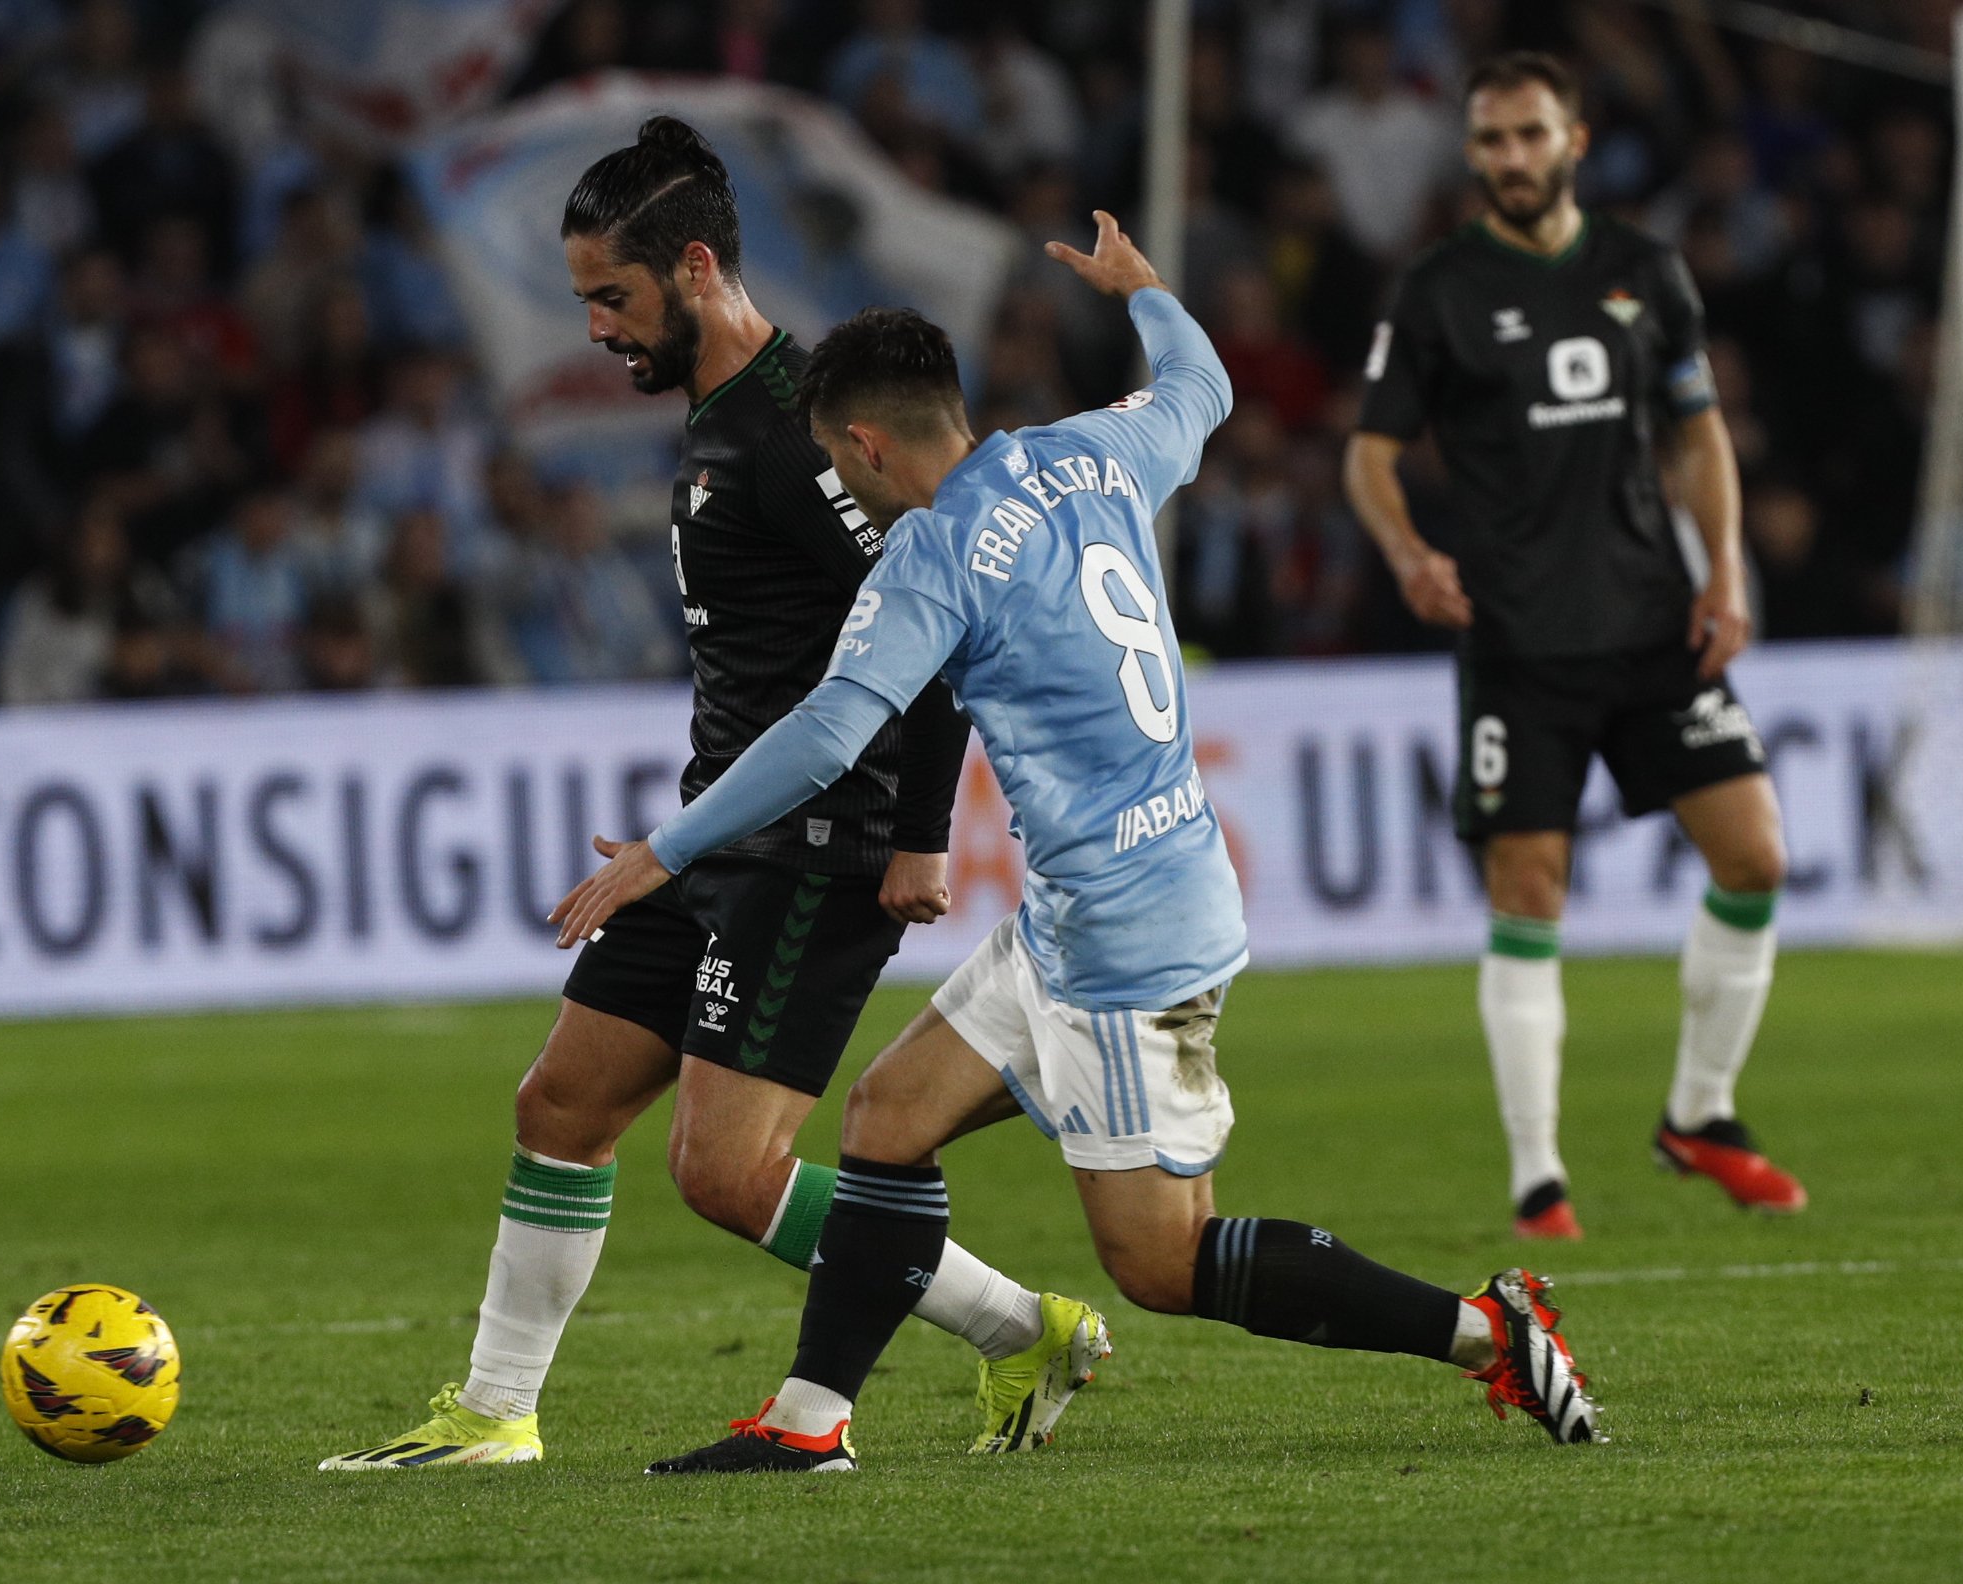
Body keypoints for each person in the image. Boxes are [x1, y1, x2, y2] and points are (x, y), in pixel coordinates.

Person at [555, 211, 1602, 1476]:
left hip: (1123, 944)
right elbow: (1202, 384)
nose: (841, 479)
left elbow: (827, 732)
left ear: (867, 444)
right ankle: (809, 1422)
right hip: (1103, 899)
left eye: (837, 457)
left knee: (1161, 1262)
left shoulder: (931, 554)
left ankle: (1488, 1333)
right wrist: (1145, 290)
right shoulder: (1093, 451)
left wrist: (662, 850)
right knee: (886, 1117)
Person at [318, 117, 1099, 1474]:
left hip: (819, 848)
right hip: (716, 830)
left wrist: (920, 835)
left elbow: (936, 629)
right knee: (561, 1107)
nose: (596, 329)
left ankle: (1019, 1328)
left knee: (727, 1176)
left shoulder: (803, 437)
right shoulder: (719, 421)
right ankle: (496, 1418)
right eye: (584, 301)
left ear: (693, 269)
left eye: (611, 297)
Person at [1342, 53, 1804, 1243]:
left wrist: (1725, 569)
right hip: (1517, 641)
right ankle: (1539, 1179)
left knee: (1754, 855)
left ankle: (1699, 1114)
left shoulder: (1646, 270)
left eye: (1529, 135)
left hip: (1654, 620)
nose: (1509, 158)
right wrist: (1406, 551)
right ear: (1472, 152)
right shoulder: (1437, 289)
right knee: (1528, 889)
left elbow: (1697, 435)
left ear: (1574, 141)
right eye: (1490, 140)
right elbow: (1369, 454)